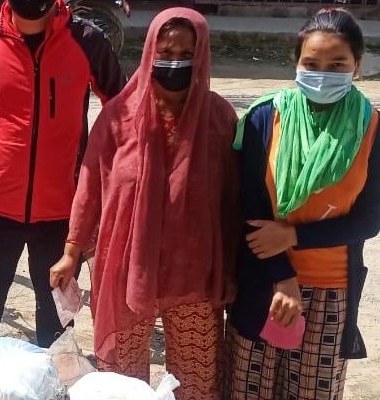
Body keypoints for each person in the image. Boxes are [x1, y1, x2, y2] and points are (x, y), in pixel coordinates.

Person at [50, 8, 239, 399]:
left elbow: (235, 198)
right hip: (127, 270)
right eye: (165, 53)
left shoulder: (219, 119)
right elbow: (90, 187)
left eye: (186, 55)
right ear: (150, 52)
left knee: (196, 383)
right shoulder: (119, 116)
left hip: (194, 276)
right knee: (123, 383)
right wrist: (71, 251)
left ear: (202, 56)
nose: (175, 63)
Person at [0, 0, 125, 347]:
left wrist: (104, 181)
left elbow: (123, 111)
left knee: (56, 328)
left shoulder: (87, 41)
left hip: (62, 215)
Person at [227, 9, 380, 399]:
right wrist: (283, 277)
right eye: (311, 64)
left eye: (337, 64)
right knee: (248, 391)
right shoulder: (264, 118)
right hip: (264, 281)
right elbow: (251, 207)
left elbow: (368, 220)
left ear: (357, 66)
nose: (322, 74)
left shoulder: (371, 128)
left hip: (332, 292)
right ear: (296, 63)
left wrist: (294, 235)